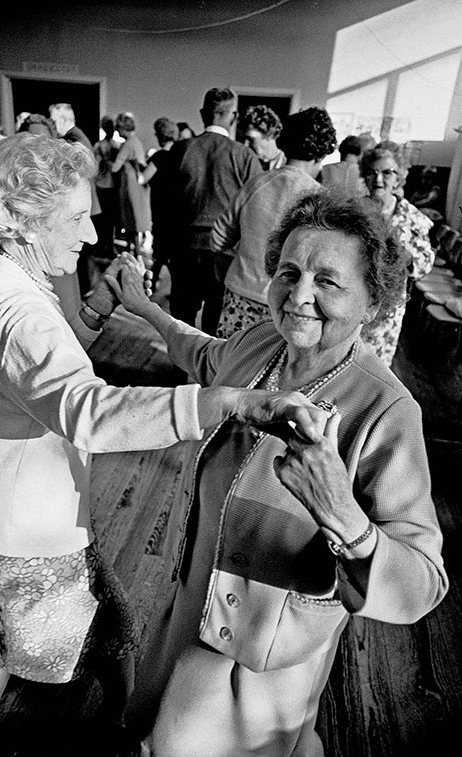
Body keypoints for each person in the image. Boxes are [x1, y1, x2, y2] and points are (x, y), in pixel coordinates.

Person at [0, 133, 316, 757]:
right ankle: (120, 731)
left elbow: (43, 371)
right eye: (75, 218)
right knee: (70, 635)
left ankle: (104, 725)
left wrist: (102, 307)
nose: (91, 234)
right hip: (31, 526)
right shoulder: (15, 313)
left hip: (7, 513)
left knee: (30, 634)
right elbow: (85, 408)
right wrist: (225, 402)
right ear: (22, 222)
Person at [113, 189, 448, 757]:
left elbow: (423, 582)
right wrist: (144, 308)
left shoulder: (385, 410)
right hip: (195, 597)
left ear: (373, 302)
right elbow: (204, 355)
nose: (298, 296)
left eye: (328, 282)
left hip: (267, 642)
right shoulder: (260, 345)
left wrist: (344, 514)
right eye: (288, 273)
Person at [212, 106, 337, 338]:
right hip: (287, 305)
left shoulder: (256, 183)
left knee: (230, 365)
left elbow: (219, 236)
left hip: (240, 293)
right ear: (321, 154)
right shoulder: (321, 199)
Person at [166, 87, 263, 334]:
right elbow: (256, 211)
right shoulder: (243, 155)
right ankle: (208, 372)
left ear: (202, 113)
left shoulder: (180, 150)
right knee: (215, 322)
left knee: (181, 319)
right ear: (234, 117)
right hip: (224, 252)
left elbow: (162, 204)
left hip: (184, 246)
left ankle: (178, 370)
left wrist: (162, 248)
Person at [359, 145, 435, 366]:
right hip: (351, 296)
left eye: (387, 172)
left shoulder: (412, 218)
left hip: (387, 304)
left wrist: (403, 255)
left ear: (399, 177)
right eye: (372, 172)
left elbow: (424, 264)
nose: (378, 179)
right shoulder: (354, 209)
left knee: (375, 367)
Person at [49, 102, 103, 296]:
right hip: (88, 205)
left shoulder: (74, 139)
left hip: (85, 206)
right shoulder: (75, 137)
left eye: (53, 121)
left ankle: (86, 290)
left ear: (63, 121)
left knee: (84, 252)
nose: (51, 125)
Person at [138, 116, 180, 290]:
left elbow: (142, 178)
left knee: (160, 248)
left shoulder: (159, 156)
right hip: (177, 207)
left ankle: (152, 282)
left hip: (160, 206)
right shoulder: (181, 154)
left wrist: (137, 165)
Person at [110, 112, 152, 255]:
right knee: (134, 219)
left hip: (129, 185)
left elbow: (115, 167)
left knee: (130, 219)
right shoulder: (136, 142)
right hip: (137, 185)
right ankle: (135, 250)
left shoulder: (127, 145)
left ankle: (132, 251)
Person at [93, 115, 121, 257]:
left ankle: (108, 245)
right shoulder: (102, 146)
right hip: (104, 186)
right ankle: (104, 246)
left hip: (110, 187)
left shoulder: (114, 146)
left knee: (110, 220)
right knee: (105, 220)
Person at [242, 103, 286, 171]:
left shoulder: (288, 165)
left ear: (270, 135)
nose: (245, 145)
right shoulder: (244, 165)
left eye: (251, 139)